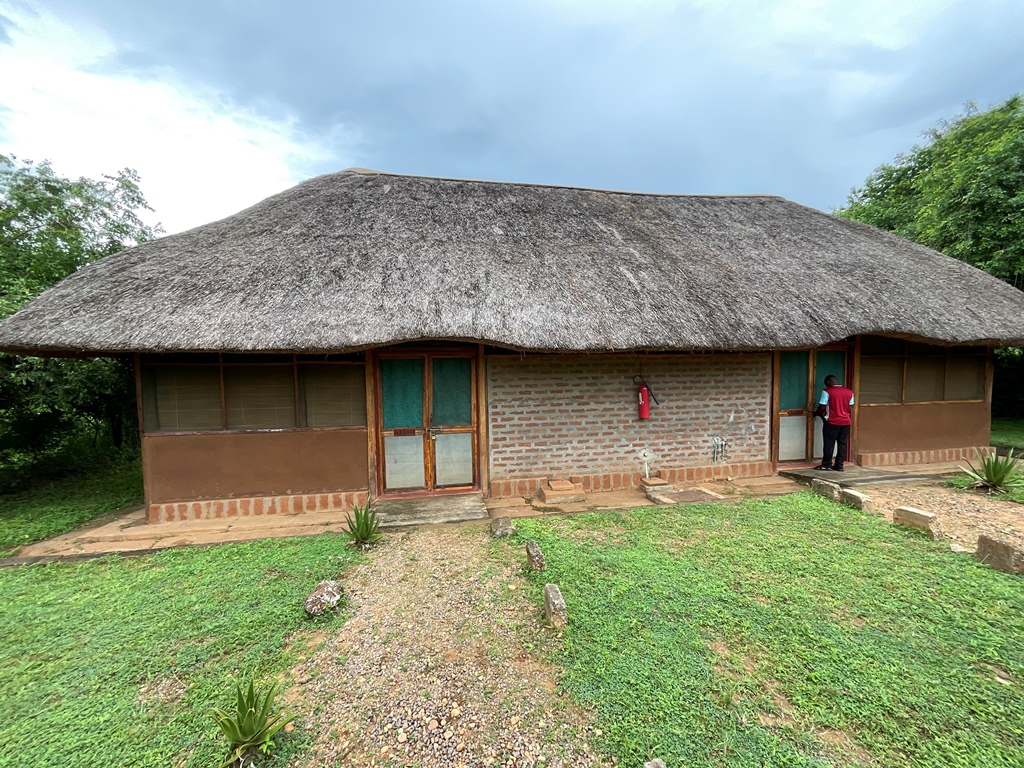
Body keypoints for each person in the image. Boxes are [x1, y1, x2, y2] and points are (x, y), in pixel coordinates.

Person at [813, 374, 854, 471]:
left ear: (828, 382)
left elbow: (822, 406)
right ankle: (839, 465)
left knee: (829, 443)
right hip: (846, 421)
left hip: (832, 421)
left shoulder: (827, 391)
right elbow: (850, 407)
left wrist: (816, 413)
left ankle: (827, 464)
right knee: (842, 443)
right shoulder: (849, 392)